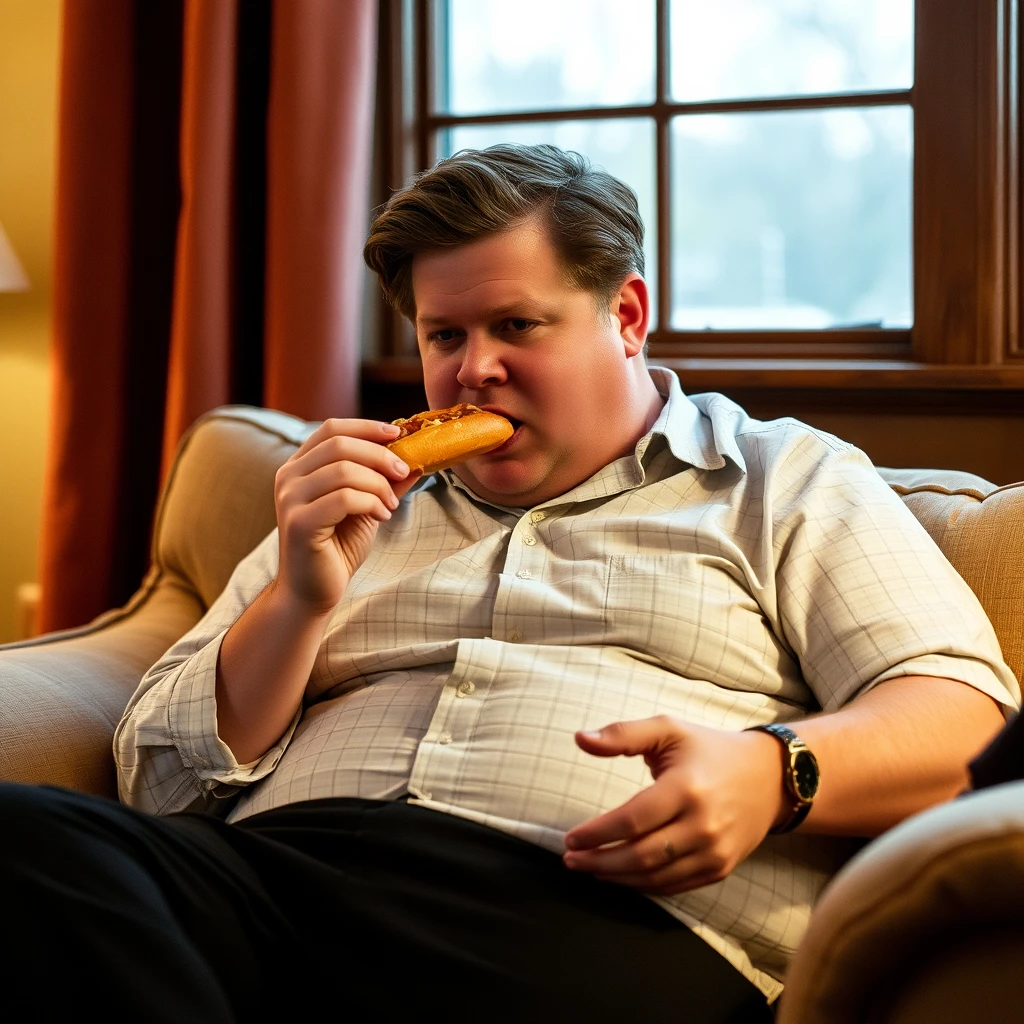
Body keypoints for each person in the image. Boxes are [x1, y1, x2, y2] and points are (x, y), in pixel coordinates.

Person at [1, 144, 1018, 1022]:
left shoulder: (781, 478)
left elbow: (963, 722)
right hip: (273, 884)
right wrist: (299, 601)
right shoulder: (346, 498)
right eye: (444, 335)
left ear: (625, 314)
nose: (469, 370)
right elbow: (161, 780)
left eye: (516, 326)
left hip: (581, 910)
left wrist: (774, 770)